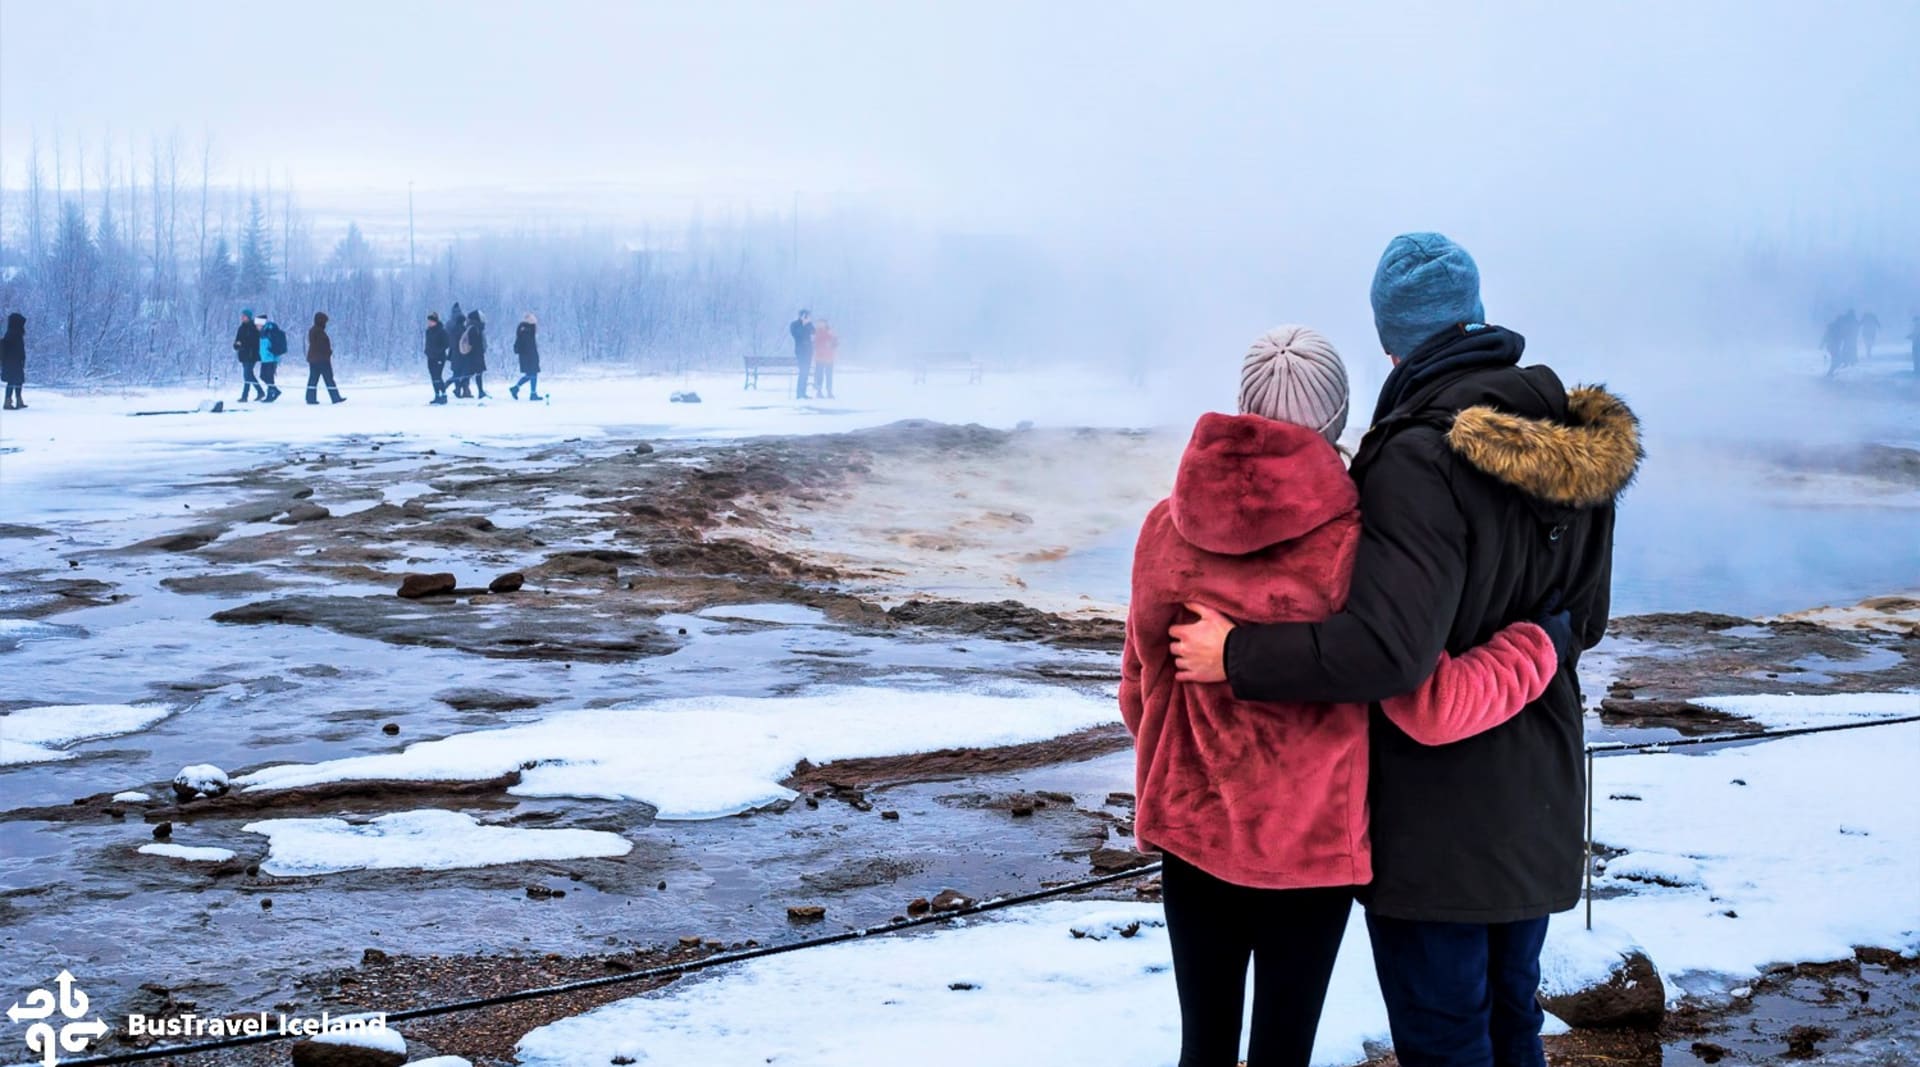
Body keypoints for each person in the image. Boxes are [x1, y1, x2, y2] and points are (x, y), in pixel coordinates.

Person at [1169, 234, 1640, 1067]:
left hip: (1436, 825)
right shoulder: (1576, 440)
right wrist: (1539, 643)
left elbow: (1388, 652)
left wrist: (1238, 653)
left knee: (1447, 1038)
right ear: (1480, 315)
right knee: (1511, 1022)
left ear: (1391, 342)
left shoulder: (1416, 456)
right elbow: (1584, 620)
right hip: (1539, 800)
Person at [1124, 325, 1565, 1067]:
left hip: (1192, 827)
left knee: (1201, 1046)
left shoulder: (1167, 526)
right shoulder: (1354, 540)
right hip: (1309, 847)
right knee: (1283, 1051)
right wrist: (1539, 643)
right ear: (1336, 421)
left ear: (1243, 406)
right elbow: (1406, 687)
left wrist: (1175, 769)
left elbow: (1142, 683)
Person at [304, 311, 346, 405]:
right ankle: (335, 397)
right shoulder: (319, 331)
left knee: (313, 379)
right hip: (322, 359)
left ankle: (310, 398)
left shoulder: (313, 330)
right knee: (328, 378)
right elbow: (322, 345)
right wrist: (329, 352)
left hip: (314, 359)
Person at [234, 308, 264, 402]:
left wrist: (244, 344)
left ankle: (245, 396)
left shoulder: (253, 327)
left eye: (244, 316)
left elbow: (254, 341)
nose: (242, 317)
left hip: (251, 355)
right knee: (249, 375)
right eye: (242, 316)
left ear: (248, 317)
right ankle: (260, 391)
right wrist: (237, 345)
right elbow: (238, 339)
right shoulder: (241, 328)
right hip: (243, 355)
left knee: (247, 375)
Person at [511, 313, 542, 400]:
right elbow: (529, 346)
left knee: (530, 375)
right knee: (533, 374)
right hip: (529, 356)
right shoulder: (527, 332)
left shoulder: (523, 330)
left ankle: (516, 388)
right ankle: (532, 394)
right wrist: (534, 356)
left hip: (526, 356)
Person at [259, 315, 288, 402]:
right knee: (264, 376)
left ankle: (270, 395)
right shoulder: (263, 331)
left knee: (269, 377)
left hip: (271, 358)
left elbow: (272, 344)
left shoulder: (269, 330)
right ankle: (274, 391)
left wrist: (270, 352)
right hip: (265, 358)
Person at [1821, 309, 1859, 376]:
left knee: (1837, 359)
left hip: (1833, 345)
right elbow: (1827, 335)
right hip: (1833, 345)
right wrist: (1822, 344)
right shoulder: (1836, 327)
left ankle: (1830, 372)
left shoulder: (1835, 326)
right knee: (1837, 359)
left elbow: (1844, 336)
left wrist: (1822, 344)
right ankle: (1830, 373)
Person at [424, 312, 451, 404]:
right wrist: (427, 351)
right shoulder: (428, 331)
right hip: (430, 357)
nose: (429, 323)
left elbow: (446, 344)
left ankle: (443, 395)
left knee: (438, 376)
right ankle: (437, 395)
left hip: (439, 357)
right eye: (428, 321)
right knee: (433, 377)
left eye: (431, 321)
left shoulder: (442, 331)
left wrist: (438, 350)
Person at [463, 309, 490, 398]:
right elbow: (473, 343)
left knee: (474, 373)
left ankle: (478, 391)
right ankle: (477, 391)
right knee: (476, 373)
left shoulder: (473, 327)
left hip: (475, 355)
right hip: (475, 355)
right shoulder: (474, 329)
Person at [1, 312, 26, 410]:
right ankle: (7, 402)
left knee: (18, 381)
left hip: (14, 362)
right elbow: (13, 348)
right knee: (12, 381)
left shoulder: (14, 333)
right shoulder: (13, 333)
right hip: (12, 362)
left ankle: (18, 400)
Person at [789, 308, 814, 399]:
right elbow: (797, 335)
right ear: (800, 315)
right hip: (800, 351)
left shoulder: (809, 324)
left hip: (809, 351)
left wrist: (808, 324)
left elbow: (814, 333)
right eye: (805, 315)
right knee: (802, 371)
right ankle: (799, 393)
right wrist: (803, 324)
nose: (806, 317)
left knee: (806, 372)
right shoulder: (794, 325)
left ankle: (803, 392)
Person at [811, 318, 838, 399]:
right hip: (820, 357)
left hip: (829, 357)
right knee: (820, 375)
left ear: (826, 324)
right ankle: (819, 391)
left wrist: (832, 343)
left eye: (822, 323)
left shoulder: (831, 332)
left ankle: (829, 391)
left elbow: (836, 343)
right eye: (820, 323)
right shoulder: (816, 332)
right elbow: (814, 344)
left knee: (829, 375)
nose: (821, 325)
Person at [448, 303, 469, 397]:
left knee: (456, 372)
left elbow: (449, 341)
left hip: (453, 353)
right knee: (464, 373)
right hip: (463, 353)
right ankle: (463, 390)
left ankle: (457, 389)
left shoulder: (449, 324)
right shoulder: (464, 329)